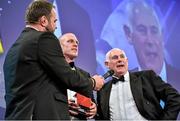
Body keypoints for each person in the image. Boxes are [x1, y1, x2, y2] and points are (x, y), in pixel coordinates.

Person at [3, 0, 104, 120]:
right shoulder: (44, 39)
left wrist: (89, 106)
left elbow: (51, 90)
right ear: (44, 21)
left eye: (77, 42)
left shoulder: (13, 50)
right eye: (55, 21)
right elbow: (64, 82)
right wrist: (92, 82)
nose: (56, 26)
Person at [96, 48, 180, 120]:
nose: (119, 60)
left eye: (122, 57)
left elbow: (174, 97)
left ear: (127, 61)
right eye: (115, 57)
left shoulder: (146, 77)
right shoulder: (103, 90)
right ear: (107, 64)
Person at [122, 0, 180, 91]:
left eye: (154, 31)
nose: (150, 41)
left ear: (163, 35)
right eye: (142, 30)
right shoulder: (122, 87)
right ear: (129, 35)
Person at [59, 33, 96, 120]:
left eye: (77, 42)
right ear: (58, 47)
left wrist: (94, 108)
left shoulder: (85, 74)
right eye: (70, 41)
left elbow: (90, 101)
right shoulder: (49, 71)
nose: (75, 44)